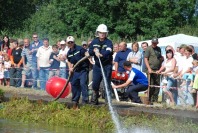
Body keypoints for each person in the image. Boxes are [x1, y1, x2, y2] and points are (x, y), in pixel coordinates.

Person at [86, 24, 113, 105]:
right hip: (97, 66)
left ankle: (108, 101)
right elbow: (90, 51)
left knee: (106, 83)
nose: (102, 34)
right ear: (98, 33)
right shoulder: (94, 41)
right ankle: (94, 99)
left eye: (103, 33)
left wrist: (101, 54)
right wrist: (93, 51)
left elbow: (109, 51)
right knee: (95, 83)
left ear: (106, 34)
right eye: (100, 33)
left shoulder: (108, 42)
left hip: (106, 66)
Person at [67, 36, 89, 109]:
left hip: (83, 70)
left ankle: (85, 101)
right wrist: (70, 68)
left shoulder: (79, 49)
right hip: (76, 71)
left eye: (71, 42)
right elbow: (69, 61)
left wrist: (87, 54)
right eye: (69, 43)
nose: (70, 44)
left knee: (83, 84)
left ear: (74, 42)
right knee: (74, 84)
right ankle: (75, 101)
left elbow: (86, 53)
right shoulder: (69, 52)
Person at [144, 38, 164, 103]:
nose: (154, 44)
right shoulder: (148, 49)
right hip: (151, 69)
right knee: (151, 85)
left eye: (155, 43)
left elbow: (160, 58)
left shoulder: (159, 49)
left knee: (157, 85)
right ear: (151, 42)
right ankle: (149, 99)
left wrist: (161, 63)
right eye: (153, 42)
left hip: (157, 70)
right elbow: (146, 59)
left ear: (157, 43)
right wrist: (149, 68)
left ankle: (155, 99)